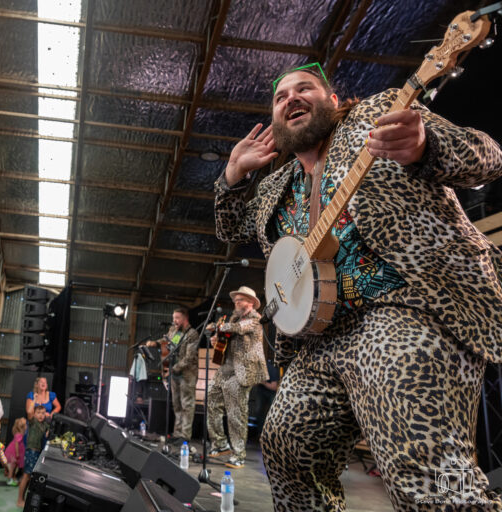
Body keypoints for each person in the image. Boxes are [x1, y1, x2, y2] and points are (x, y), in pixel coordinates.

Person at [214, 62, 502, 509]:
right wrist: (232, 177)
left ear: (332, 101)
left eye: (304, 88)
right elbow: (230, 228)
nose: (291, 97)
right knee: (286, 447)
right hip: (319, 341)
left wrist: (427, 145)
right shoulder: (274, 188)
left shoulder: (380, 114)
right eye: (280, 96)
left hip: (405, 309)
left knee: (426, 472)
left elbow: (487, 155)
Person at [205, 286, 268, 469]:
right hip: (226, 367)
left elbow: (238, 329)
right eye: (235, 300)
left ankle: (238, 454)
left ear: (251, 303)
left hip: (243, 370)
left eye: (240, 300)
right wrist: (216, 339)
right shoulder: (232, 318)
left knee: (236, 413)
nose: (236, 303)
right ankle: (220, 443)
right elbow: (225, 336)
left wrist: (217, 327)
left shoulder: (255, 319)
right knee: (212, 398)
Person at [146, 308, 199, 443]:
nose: (174, 320)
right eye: (173, 317)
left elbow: (189, 358)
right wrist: (155, 343)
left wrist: (174, 369)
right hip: (174, 373)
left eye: (177, 318)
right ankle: (177, 433)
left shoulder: (192, 334)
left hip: (187, 374)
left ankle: (185, 435)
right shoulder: (174, 331)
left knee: (187, 404)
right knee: (177, 404)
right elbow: (166, 341)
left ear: (185, 318)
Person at [17, 405, 48, 508]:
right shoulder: (33, 422)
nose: (41, 415)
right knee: (26, 476)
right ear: (34, 414)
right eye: (38, 413)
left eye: (43, 413)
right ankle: (19, 499)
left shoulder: (44, 424)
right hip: (31, 451)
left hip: (37, 452)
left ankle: (23, 498)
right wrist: (34, 400)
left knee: (29, 477)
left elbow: (47, 432)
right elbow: (29, 412)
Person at [4, 417, 26, 487]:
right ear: (23, 427)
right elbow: (16, 444)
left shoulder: (19, 434)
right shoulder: (19, 435)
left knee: (14, 466)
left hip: (13, 451)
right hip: (13, 452)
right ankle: (10, 479)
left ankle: (12, 478)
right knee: (12, 466)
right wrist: (17, 453)